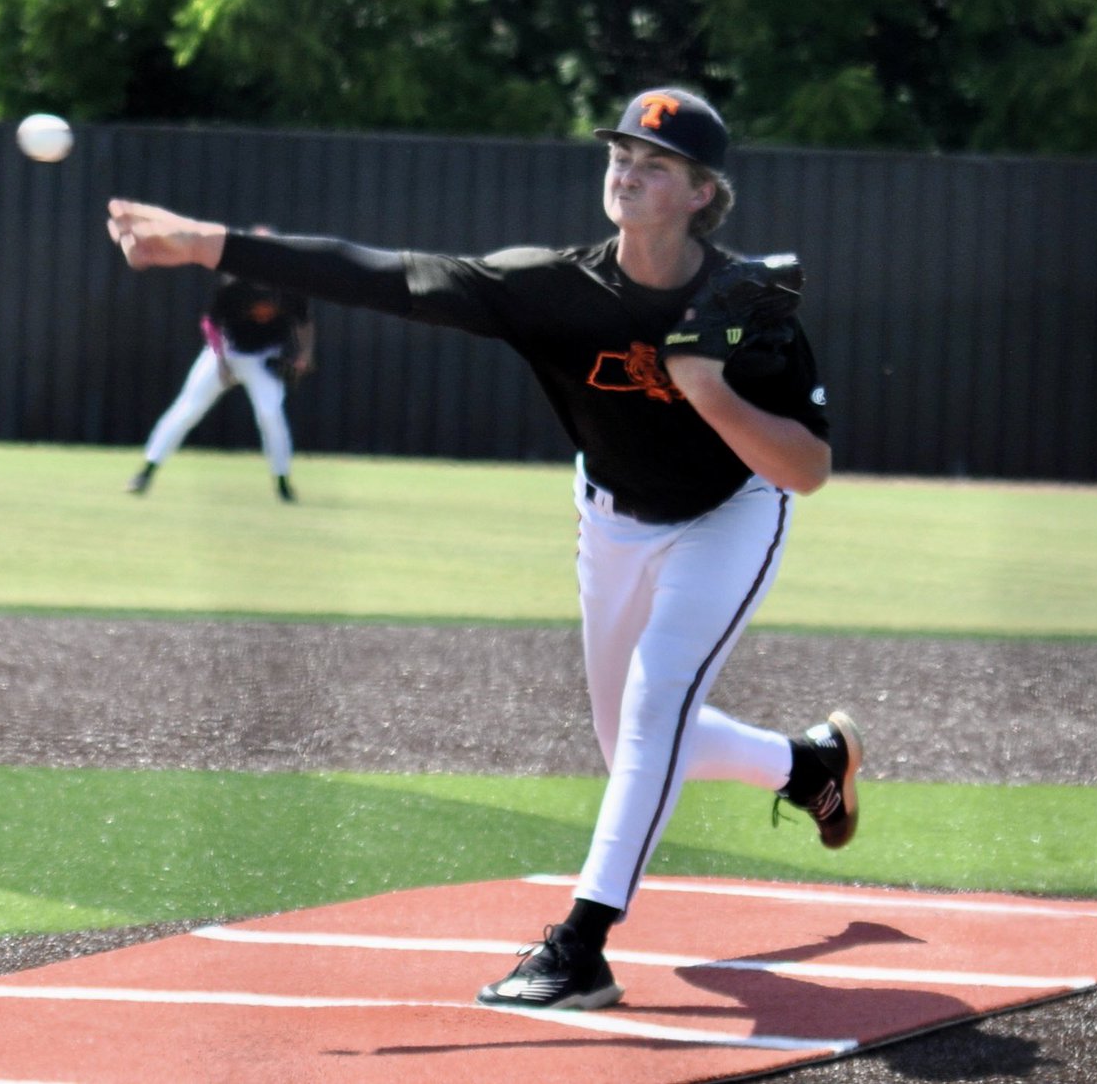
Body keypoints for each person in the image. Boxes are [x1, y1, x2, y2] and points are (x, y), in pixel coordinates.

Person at [106, 87, 863, 1012]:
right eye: (620, 154)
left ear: (703, 192)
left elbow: (809, 468)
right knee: (627, 737)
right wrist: (204, 242)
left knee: (658, 697)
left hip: (730, 514)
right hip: (614, 516)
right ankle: (809, 765)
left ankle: (580, 944)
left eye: (655, 164)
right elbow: (381, 273)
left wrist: (703, 383)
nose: (626, 171)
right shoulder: (553, 288)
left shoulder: (746, 301)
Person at [125, 251, 315, 503]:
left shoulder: (288, 286)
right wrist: (223, 364)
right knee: (187, 410)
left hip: (263, 357)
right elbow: (210, 324)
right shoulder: (235, 285)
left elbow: (304, 321)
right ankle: (145, 472)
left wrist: (304, 354)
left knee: (270, 414)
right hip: (225, 352)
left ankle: (283, 484)